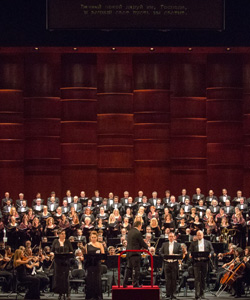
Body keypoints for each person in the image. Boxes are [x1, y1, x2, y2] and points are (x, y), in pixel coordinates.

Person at [189, 230, 214, 300]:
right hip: (196, 262)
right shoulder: (193, 243)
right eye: (198, 235)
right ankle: (196, 295)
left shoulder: (208, 242)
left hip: (204, 261)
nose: (199, 236)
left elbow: (212, 250)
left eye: (200, 235)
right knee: (197, 278)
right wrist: (190, 254)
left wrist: (210, 254)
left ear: (203, 235)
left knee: (203, 278)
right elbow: (190, 251)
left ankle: (202, 294)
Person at [123, 220, 149, 288]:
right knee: (136, 269)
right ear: (139, 225)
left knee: (129, 268)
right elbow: (141, 242)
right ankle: (135, 284)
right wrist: (147, 247)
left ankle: (124, 283)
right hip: (135, 253)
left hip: (129, 252)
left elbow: (134, 242)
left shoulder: (130, 231)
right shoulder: (138, 233)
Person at [51, 230, 73, 300]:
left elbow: (71, 250)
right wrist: (52, 253)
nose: (64, 235)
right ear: (59, 235)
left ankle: (67, 293)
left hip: (66, 261)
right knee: (59, 278)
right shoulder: (55, 241)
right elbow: (52, 250)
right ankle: (60, 293)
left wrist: (69, 254)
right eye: (62, 234)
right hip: (58, 262)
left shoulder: (67, 241)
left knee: (66, 278)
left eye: (64, 234)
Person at [160, 232, 182, 300]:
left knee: (174, 279)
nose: (171, 238)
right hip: (167, 263)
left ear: (174, 237)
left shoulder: (178, 245)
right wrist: (164, 256)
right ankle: (168, 294)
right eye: (170, 236)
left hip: (174, 263)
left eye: (172, 236)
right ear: (168, 237)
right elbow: (160, 252)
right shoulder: (164, 244)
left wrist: (176, 255)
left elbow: (181, 253)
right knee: (167, 280)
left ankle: (174, 294)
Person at [84, 230, 105, 300]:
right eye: (92, 237)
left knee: (97, 280)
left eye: (95, 237)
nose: (93, 239)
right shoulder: (87, 245)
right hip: (90, 265)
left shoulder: (100, 245)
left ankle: (98, 296)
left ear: (97, 237)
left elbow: (103, 257)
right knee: (90, 280)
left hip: (97, 265)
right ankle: (90, 296)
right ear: (90, 237)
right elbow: (85, 256)